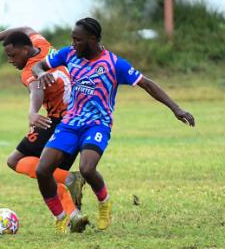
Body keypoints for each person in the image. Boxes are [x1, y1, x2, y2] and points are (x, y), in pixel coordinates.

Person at [32, 17, 195, 233]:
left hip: (98, 124)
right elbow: (38, 65)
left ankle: (104, 203)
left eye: (77, 40)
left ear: (92, 39)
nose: (73, 44)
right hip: (70, 123)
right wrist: (42, 74)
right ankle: (61, 217)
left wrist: (176, 108)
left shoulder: (114, 64)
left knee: (87, 168)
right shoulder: (68, 54)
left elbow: (146, 84)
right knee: (43, 170)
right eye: (72, 39)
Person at [0, 27, 89, 233]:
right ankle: (71, 212)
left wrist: (32, 112)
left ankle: (68, 182)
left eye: (12, 55)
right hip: (78, 118)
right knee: (42, 170)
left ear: (25, 49)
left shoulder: (29, 71)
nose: (10, 60)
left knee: (16, 162)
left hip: (60, 122)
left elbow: (36, 89)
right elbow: (25, 28)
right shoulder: (42, 44)